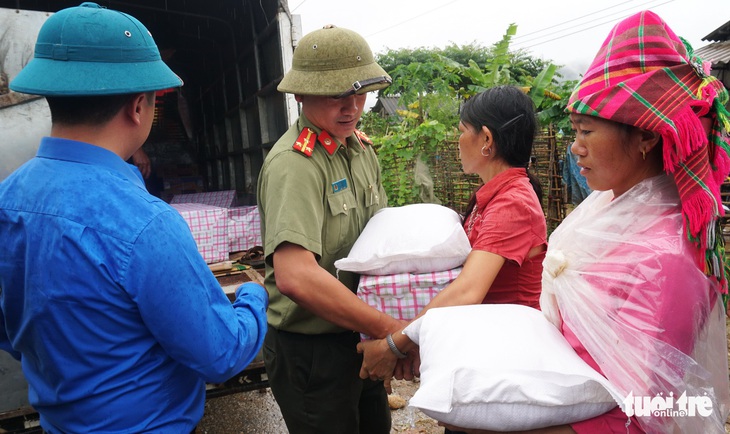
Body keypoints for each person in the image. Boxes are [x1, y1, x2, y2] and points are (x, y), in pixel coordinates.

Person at [441, 10, 730, 434]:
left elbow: (645, 411)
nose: (575, 149)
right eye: (574, 131)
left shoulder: (666, 259)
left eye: (587, 132)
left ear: (646, 137)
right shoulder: (604, 214)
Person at [0, 3, 268, 432]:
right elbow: (221, 354)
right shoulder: (145, 225)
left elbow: (11, 330)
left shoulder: (7, 200)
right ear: (139, 107)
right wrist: (256, 298)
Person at [358, 86, 547, 414]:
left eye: (462, 131)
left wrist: (396, 343)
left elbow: (467, 290)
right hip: (484, 348)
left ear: (486, 139)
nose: (456, 140)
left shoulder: (512, 202)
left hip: (505, 358)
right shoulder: (493, 195)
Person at [255, 25, 402, 434]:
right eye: (336, 94)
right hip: (311, 348)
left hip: (358, 332)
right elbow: (296, 276)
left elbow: (378, 236)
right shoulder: (295, 164)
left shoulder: (359, 149)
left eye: (360, 93)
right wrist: (390, 331)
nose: (352, 106)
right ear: (301, 94)